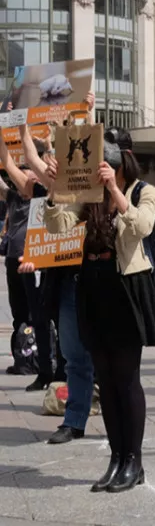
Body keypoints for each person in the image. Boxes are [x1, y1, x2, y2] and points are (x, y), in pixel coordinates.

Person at [45, 129, 155, 493]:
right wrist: (52, 192)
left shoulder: (143, 191)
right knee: (106, 379)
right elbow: (58, 224)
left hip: (126, 287)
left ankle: (134, 460)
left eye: (108, 167)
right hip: (94, 285)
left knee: (127, 378)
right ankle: (116, 457)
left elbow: (142, 227)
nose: (102, 173)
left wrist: (114, 191)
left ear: (119, 164)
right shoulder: (90, 195)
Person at [17, 99, 96, 443]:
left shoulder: (91, 178)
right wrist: (20, 124)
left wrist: (87, 111)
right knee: (73, 355)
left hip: (97, 279)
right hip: (66, 283)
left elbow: (90, 138)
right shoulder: (53, 184)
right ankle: (74, 419)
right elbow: (33, 161)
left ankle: (117, 409)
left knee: (103, 355)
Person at [0, 120, 50, 388]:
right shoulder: (15, 197)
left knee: (40, 315)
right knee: (21, 312)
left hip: (41, 262)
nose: (25, 174)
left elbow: (26, 159)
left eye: (30, 172)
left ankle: (46, 362)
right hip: (15, 262)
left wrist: (23, 125)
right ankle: (27, 359)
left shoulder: (44, 193)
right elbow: (7, 165)